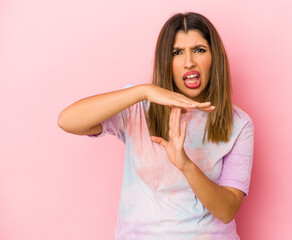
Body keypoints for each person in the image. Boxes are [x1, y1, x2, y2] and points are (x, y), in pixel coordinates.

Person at [58, 12, 254, 240]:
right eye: (177, 52)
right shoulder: (138, 108)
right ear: (166, 61)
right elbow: (67, 120)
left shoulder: (239, 123)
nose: (189, 61)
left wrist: (186, 165)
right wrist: (144, 91)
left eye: (199, 50)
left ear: (214, 57)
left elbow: (226, 211)